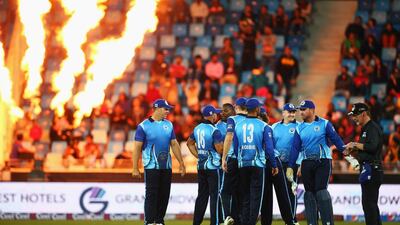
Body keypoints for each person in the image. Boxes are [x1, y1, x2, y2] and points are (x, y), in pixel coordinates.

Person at [286, 100, 359, 225]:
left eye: (304, 109)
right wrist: (290, 166)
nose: (301, 112)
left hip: (323, 162)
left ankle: (327, 222)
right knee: (308, 194)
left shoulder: (325, 124)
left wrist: (350, 158)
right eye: (300, 110)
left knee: (321, 192)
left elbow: (337, 141)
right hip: (307, 163)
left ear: (312, 110)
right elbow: (295, 148)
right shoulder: (299, 128)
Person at [132, 99, 186, 225]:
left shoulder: (169, 125)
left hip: (166, 166)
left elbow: (174, 143)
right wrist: (135, 167)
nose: (168, 111)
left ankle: (159, 220)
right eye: (165, 109)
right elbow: (137, 148)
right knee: (152, 194)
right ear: (157, 109)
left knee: (164, 194)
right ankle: (150, 221)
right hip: (151, 166)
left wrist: (181, 163)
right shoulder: (143, 126)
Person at [234, 98, 278, 225]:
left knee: (245, 196)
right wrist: (274, 164)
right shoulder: (264, 126)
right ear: (257, 109)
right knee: (256, 197)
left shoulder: (238, 125)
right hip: (258, 165)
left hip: (243, 164)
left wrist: (239, 160)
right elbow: (269, 148)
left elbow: (236, 147)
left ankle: (244, 222)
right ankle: (251, 222)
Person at [346, 103, 384, 225]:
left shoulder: (372, 127)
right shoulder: (366, 128)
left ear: (363, 114)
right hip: (368, 169)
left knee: (369, 205)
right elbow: (367, 148)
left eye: (355, 115)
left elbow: (373, 147)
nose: (353, 118)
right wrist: (354, 149)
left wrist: (355, 145)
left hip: (372, 169)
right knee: (369, 204)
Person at [261, 103, 299, 225]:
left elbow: (301, 147)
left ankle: (291, 219)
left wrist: (299, 164)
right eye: (289, 111)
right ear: (283, 113)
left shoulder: (299, 127)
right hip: (276, 164)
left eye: (293, 112)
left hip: (291, 165)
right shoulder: (274, 127)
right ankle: (267, 221)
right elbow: (269, 146)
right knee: (271, 193)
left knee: (290, 193)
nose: (292, 114)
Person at [187, 105, 224, 225]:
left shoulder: (197, 128)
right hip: (213, 167)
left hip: (201, 166)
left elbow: (189, 143)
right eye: (215, 114)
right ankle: (215, 222)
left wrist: (199, 156)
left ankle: (196, 223)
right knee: (215, 196)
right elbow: (219, 150)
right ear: (212, 115)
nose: (217, 116)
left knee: (202, 196)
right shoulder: (215, 130)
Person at [220, 97, 248, 225]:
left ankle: (228, 216)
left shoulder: (233, 119)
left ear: (236, 107)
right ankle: (241, 218)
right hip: (247, 160)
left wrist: (224, 158)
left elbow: (229, 138)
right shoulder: (253, 121)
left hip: (233, 159)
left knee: (225, 191)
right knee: (241, 191)